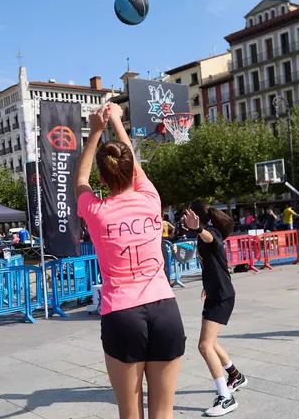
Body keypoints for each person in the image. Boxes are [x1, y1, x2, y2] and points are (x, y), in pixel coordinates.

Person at [75, 102, 186, 419]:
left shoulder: (96, 211)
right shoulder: (151, 198)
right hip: (165, 309)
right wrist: (116, 122)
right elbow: (136, 169)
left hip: (122, 314)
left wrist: (95, 131)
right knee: (163, 413)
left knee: (130, 414)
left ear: (102, 176)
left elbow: (80, 179)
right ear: (130, 171)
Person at [182, 201, 245, 417]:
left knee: (204, 346)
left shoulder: (211, 233)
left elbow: (211, 240)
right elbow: (211, 265)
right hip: (215, 294)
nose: (184, 217)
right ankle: (235, 376)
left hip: (222, 297)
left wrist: (198, 228)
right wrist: (206, 286)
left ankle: (226, 398)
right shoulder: (202, 235)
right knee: (211, 343)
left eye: (188, 213)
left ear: (197, 216)